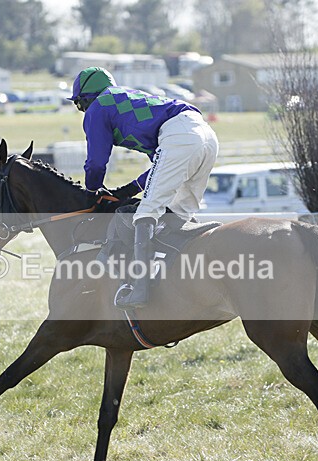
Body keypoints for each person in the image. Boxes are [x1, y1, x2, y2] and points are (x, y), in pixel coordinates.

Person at [69, 66, 219, 310]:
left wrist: (92, 192)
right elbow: (160, 170)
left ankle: (139, 288)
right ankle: (179, 277)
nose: (82, 110)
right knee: (178, 213)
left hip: (180, 135)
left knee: (147, 211)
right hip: (206, 136)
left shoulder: (97, 108)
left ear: (87, 98)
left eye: (79, 104)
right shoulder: (128, 102)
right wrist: (128, 190)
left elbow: (96, 163)